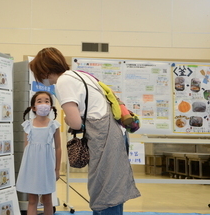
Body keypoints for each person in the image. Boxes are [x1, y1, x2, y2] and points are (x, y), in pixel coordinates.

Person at [29, 47, 141, 215]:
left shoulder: (63, 82)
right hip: (115, 133)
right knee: (112, 188)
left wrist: (67, 119)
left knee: (105, 191)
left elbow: (75, 123)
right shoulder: (80, 75)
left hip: (104, 137)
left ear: (44, 70)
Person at [16, 91, 61, 215]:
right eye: (39, 101)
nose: (43, 104)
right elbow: (27, 147)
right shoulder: (28, 125)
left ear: (51, 106)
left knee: (47, 199)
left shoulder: (54, 125)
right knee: (32, 200)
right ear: (33, 107)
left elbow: (58, 148)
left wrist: (57, 169)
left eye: (47, 101)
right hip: (32, 167)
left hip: (47, 166)